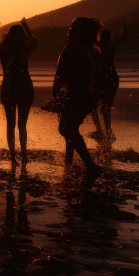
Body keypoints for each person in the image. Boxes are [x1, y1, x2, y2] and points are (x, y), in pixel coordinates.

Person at [46, 17, 103, 185]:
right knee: (66, 129)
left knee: (68, 129)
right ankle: (71, 162)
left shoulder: (75, 46)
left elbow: (61, 72)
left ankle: (90, 165)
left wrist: (56, 95)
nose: (70, 28)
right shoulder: (91, 49)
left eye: (74, 26)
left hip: (76, 95)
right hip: (83, 95)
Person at [0, 18, 37, 172]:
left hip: (8, 87)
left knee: (10, 124)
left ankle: (12, 155)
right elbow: (34, 40)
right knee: (22, 125)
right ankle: (24, 155)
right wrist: (26, 25)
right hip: (24, 87)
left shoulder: (3, 50)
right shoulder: (24, 50)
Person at [92, 22, 129, 145]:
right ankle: (107, 130)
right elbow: (125, 37)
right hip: (112, 76)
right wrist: (123, 25)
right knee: (106, 106)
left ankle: (101, 130)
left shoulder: (98, 45)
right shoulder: (112, 44)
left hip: (102, 77)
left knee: (98, 105)